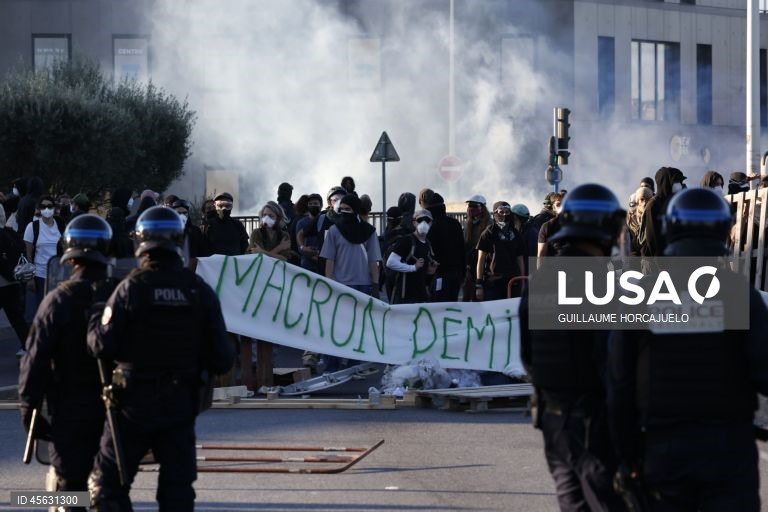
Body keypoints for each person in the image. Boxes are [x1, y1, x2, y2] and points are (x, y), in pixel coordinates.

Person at [607, 187, 768, 511]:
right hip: (728, 451)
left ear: (669, 228)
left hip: (660, 450)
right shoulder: (740, 295)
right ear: (724, 231)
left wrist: (625, 457)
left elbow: (618, 386)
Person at [87, 206, 235, 511]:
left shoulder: (129, 288)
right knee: (177, 491)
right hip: (180, 405)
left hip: (131, 406)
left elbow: (101, 345)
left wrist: (95, 317)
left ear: (141, 241)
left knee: (108, 487)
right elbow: (223, 358)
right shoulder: (198, 290)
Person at [519, 183, 626, 512]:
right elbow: (618, 367)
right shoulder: (610, 289)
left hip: (555, 425)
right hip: (597, 424)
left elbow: (528, 358)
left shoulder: (538, 287)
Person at [19, 214, 115, 505]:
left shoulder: (57, 300)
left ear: (69, 256)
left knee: (71, 493)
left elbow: (34, 362)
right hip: (117, 411)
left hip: (69, 410)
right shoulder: (124, 294)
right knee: (111, 491)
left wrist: (29, 410)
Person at [319, 194, 381, 371]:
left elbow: (374, 260)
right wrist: (329, 283)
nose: (344, 212)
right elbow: (329, 259)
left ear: (355, 210)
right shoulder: (334, 231)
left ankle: (355, 365)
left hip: (362, 285)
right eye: (342, 209)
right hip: (340, 286)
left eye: (348, 209)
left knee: (358, 328)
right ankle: (332, 366)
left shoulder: (369, 231)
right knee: (336, 328)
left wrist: (375, 285)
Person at [22, 195, 65, 323]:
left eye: (49, 206)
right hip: (39, 276)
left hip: (57, 277)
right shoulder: (32, 227)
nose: (46, 209)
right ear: (39, 209)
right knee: (33, 315)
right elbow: (28, 254)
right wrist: (29, 278)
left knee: (53, 315)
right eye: (43, 206)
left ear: (54, 208)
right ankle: (31, 342)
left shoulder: (61, 225)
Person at [385, 209, 438, 304]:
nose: (424, 223)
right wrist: (412, 267)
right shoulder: (407, 241)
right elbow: (390, 262)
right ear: (414, 223)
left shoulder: (428, 243)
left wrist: (430, 270)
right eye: (420, 220)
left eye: (427, 220)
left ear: (431, 223)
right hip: (405, 296)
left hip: (420, 295)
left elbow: (423, 271)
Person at [475, 201, 525, 300]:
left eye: (507, 212)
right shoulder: (488, 233)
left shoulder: (516, 234)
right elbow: (481, 260)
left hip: (513, 282)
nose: (504, 215)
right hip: (493, 283)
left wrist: (523, 282)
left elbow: (520, 260)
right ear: (495, 213)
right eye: (501, 212)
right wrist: (479, 285)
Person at [0, 204, 29, 356]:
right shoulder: (10, 233)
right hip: (14, 282)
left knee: (15, 316)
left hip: (2, 282)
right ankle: (29, 345)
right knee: (16, 317)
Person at [639, 166, 687, 258]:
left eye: (681, 182)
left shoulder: (674, 203)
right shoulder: (653, 206)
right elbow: (653, 241)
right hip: (655, 264)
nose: (680, 185)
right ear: (666, 183)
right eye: (677, 182)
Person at [424, 192, 464, 302]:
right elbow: (462, 249)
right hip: (456, 274)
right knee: (453, 304)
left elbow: (430, 254)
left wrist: (427, 281)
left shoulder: (431, 227)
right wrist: (463, 274)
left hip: (439, 275)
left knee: (438, 307)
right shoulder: (455, 223)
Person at [202, 192, 248, 257]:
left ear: (231, 207)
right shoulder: (209, 225)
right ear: (215, 206)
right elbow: (204, 248)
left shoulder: (237, 224)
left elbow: (245, 246)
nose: (224, 209)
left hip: (234, 263)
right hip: (215, 264)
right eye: (220, 206)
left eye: (227, 206)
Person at [463, 194, 490, 302]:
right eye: (470, 206)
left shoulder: (489, 224)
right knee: (467, 294)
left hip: (482, 263)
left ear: (482, 208)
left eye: (474, 206)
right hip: (469, 264)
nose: (471, 209)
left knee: (478, 296)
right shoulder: (468, 224)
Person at [173, 199, 207, 270]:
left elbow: (202, 252)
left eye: (184, 213)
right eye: (178, 213)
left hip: (193, 270)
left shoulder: (195, 231)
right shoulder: (168, 231)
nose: (182, 216)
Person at [295, 193, 324, 275]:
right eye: (310, 204)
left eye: (315, 204)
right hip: (307, 267)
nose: (312, 206)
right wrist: (314, 256)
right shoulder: (301, 223)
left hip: (323, 267)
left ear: (321, 206)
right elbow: (300, 248)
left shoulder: (325, 220)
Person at [626, 186, 653, 257]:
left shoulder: (653, 215)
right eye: (642, 199)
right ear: (637, 201)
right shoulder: (631, 219)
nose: (644, 203)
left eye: (647, 199)